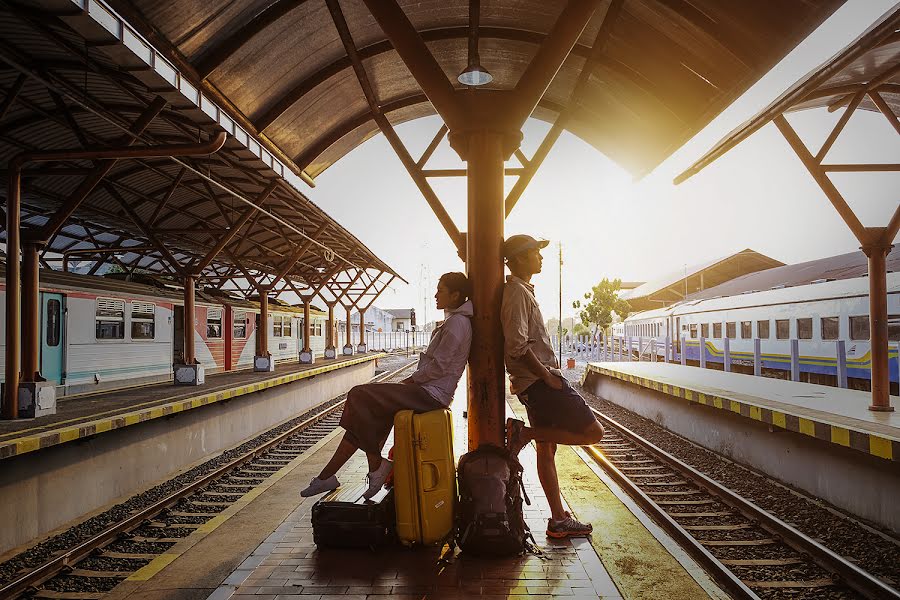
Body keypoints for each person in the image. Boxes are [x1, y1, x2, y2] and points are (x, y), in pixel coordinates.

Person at [301, 272, 473, 499]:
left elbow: (439, 367)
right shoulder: (454, 321)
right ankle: (327, 477)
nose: (435, 295)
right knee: (363, 420)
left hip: (431, 395)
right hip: (427, 391)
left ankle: (377, 466)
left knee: (358, 394)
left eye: (440, 290)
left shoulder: (458, 324)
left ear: (455, 295)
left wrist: (410, 380)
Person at [500, 234, 605, 538]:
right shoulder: (517, 293)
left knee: (547, 449)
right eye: (535, 252)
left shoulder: (522, 291)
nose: (541, 257)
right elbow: (517, 345)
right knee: (593, 432)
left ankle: (558, 519)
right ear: (519, 258)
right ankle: (524, 433)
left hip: (534, 383)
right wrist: (547, 376)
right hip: (539, 382)